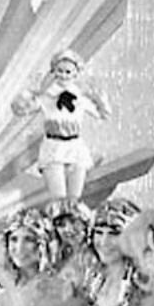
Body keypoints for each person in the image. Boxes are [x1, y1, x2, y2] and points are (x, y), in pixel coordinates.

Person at [9, 51, 113, 204]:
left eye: (68, 72)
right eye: (60, 71)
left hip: (75, 146)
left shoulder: (81, 99)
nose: (64, 75)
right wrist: (29, 93)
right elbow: (21, 110)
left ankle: (73, 223)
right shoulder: (46, 97)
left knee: (74, 198)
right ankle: (57, 221)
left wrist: (99, 98)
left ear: (76, 73)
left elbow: (103, 115)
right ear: (53, 72)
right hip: (53, 147)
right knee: (58, 198)